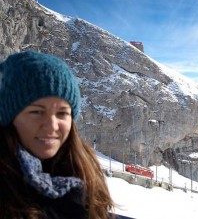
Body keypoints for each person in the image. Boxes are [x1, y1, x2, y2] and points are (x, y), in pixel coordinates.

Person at [0, 51, 115, 219]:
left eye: (62, 113)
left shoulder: (85, 171)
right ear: (10, 116)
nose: (52, 126)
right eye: (37, 111)